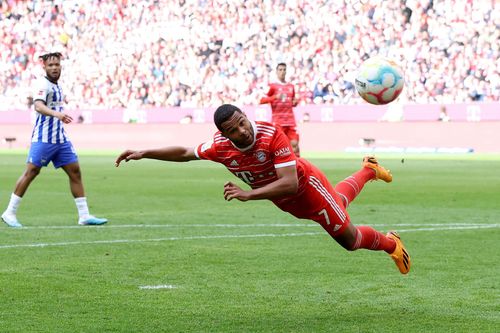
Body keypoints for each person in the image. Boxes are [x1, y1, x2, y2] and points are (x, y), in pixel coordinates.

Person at [115, 104, 411, 274]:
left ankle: (391, 244)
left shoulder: (271, 134)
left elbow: (290, 182)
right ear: (224, 134)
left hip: (308, 188)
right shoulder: (220, 147)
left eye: (242, 123)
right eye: (233, 130)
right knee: (340, 202)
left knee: (350, 238)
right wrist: (144, 152)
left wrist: (248, 194)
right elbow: (185, 152)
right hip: (287, 201)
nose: (242, 131)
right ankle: (369, 169)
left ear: (246, 116)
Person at [1, 52, 107, 228]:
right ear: (44, 66)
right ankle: (9, 212)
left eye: (57, 64)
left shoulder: (57, 85)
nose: (54, 68)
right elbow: (38, 105)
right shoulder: (43, 84)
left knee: (75, 172)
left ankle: (84, 215)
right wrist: (57, 114)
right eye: (50, 65)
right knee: (31, 172)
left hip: (61, 139)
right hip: (44, 138)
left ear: (61, 66)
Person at [260, 63, 301, 156]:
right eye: (280, 70)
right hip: (278, 122)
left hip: (290, 121)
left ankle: (298, 167)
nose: (282, 72)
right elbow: (262, 100)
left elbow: (293, 102)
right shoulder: (272, 86)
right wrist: (275, 97)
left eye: (284, 70)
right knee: (278, 147)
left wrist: (295, 102)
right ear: (276, 71)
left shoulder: (291, 86)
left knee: (295, 144)